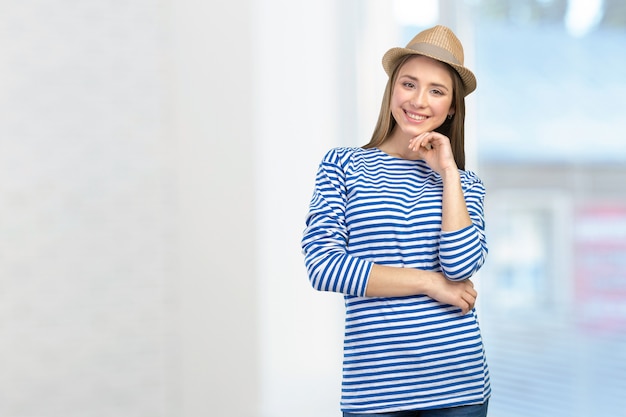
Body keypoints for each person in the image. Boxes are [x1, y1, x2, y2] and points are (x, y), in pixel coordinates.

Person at [301, 25, 490, 416]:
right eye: (409, 84)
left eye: (437, 91)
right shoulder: (344, 165)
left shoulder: (465, 184)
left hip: (459, 387)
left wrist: (449, 174)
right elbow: (323, 267)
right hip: (374, 393)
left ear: (452, 107)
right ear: (392, 89)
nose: (419, 101)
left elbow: (461, 267)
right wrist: (429, 282)